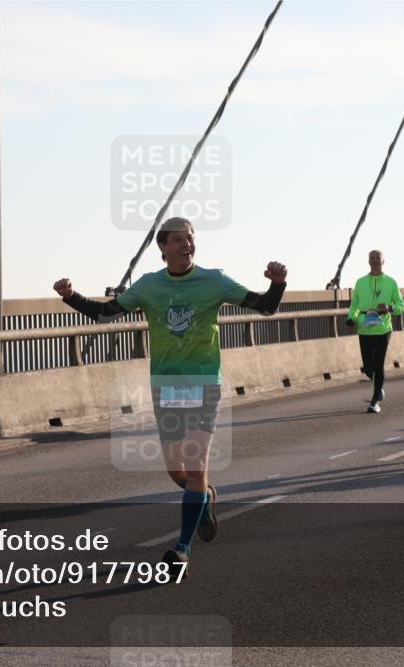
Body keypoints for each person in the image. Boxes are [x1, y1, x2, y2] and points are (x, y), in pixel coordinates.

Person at [53, 217, 287, 575]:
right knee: (176, 472)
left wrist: (278, 284)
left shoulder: (215, 280)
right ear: (162, 248)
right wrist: (70, 296)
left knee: (194, 466)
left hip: (205, 384)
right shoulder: (149, 286)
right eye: (178, 240)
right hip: (167, 386)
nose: (186, 244)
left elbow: (265, 307)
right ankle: (205, 496)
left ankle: (182, 549)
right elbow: (104, 313)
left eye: (190, 238)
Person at [346, 250, 404, 414]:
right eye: (371, 257)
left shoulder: (391, 282)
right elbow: (354, 305)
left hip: (383, 328)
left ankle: (374, 401)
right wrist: (351, 317)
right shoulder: (360, 282)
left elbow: (401, 306)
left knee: (378, 364)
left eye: (377, 257)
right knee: (367, 367)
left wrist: (390, 308)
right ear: (368, 261)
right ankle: (378, 387)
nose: (374, 260)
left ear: (383, 260)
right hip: (364, 327)